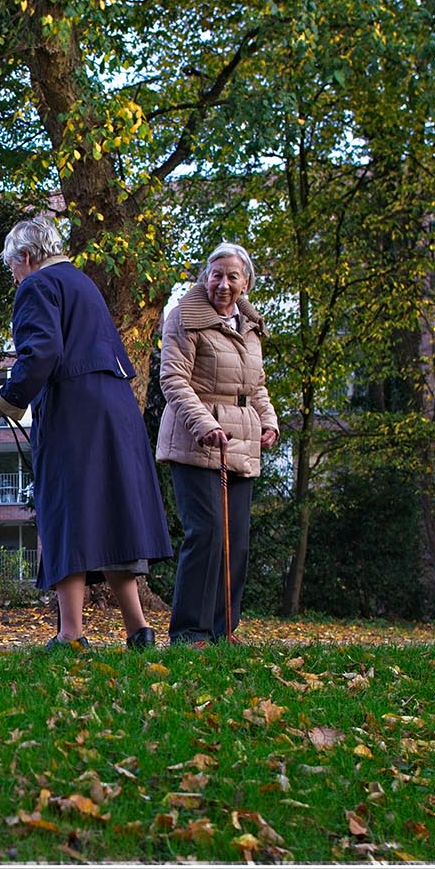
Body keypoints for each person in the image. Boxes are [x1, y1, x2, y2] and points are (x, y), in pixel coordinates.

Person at [0, 216, 172, 651]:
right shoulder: (83, 283)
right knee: (110, 513)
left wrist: (5, 400)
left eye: (13, 271)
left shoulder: (37, 285)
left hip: (75, 411)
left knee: (65, 511)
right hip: (116, 409)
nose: (15, 281)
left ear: (26, 258)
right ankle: (139, 629)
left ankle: (70, 635)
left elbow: (41, 351)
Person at [155, 242, 279, 646]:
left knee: (235, 541)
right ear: (205, 277)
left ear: (246, 283)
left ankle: (223, 631)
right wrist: (203, 423)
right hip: (195, 440)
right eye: (216, 274)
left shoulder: (249, 325)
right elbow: (173, 380)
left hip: (240, 440)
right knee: (206, 533)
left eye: (232, 276)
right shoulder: (183, 318)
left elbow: (255, 385)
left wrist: (270, 422)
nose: (223, 284)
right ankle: (190, 631)